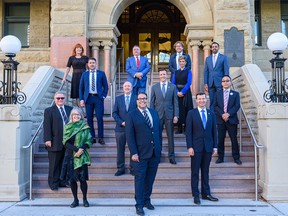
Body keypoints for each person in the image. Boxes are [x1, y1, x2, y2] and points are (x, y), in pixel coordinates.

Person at [126, 92, 162, 216]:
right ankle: (139, 205)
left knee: (150, 179)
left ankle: (147, 200)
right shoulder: (131, 115)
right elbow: (129, 136)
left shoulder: (154, 113)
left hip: (154, 153)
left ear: (147, 100)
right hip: (139, 155)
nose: (142, 100)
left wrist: (159, 149)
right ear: (136, 101)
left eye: (144, 98)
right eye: (140, 99)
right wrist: (134, 152)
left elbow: (158, 132)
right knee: (140, 180)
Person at [185, 92, 218, 205]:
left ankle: (206, 194)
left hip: (208, 147)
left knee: (205, 171)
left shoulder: (211, 113)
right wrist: (189, 146)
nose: (201, 101)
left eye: (203, 99)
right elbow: (188, 132)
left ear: (206, 100)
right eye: (199, 99)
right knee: (195, 172)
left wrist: (215, 146)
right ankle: (196, 195)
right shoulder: (191, 113)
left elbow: (214, 131)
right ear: (196, 101)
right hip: (196, 147)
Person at [62, 107, 92, 208]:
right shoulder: (67, 127)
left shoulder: (85, 127)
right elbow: (65, 142)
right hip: (71, 156)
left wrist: (81, 149)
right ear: (71, 116)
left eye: (78, 114)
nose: (76, 116)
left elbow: (89, 141)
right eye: (74, 114)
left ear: (81, 116)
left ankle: (85, 199)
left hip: (82, 157)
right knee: (72, 180)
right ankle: (75, 200)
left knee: (82, 179)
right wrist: (76, 150)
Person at [43, 92, 73, 191]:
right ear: (54, 99)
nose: (60, 100)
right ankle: (53, 183)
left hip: (68, 141)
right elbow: (47, 126)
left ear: (65, 99)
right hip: (55, 141)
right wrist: (47, 139)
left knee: (65, 163)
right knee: (54, 164)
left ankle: (62, 181)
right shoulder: (49, 111)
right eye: (58, 98)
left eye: (62, 98)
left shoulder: (70, 109)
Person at [150, 68, 179, 165]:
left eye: (164, 74)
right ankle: (157, 156)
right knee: (157, 137)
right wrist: (152, 116)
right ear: (159, 76)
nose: (163, 76)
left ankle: (172, 157)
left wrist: (176, 115)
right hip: (158, 116)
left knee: (170, 137)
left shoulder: (173, 87)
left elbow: (175, 102)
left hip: (169, 115)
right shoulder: (154, 87)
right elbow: (151, 103)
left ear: (167, 75)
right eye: (161, 74)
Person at [79, 57, 108, 145]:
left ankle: (100, 137)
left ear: (96, 64)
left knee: (99, 118)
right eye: (90, 63)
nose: (92, 64)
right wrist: (81, 99)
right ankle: (92, 137)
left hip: (98, 98)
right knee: (89, 119)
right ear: (88, 64)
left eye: (93, 63)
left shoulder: (101, 73)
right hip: (88, 99)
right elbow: (81, 88)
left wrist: (103, 96)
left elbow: (106, 86)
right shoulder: (84, 74)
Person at [214, 75, 242, 165]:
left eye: (227, 81)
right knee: (220, 139)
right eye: (223, 81)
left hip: (232, 120)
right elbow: (215, 106)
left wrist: (228, 114)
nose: (225, 82)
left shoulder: (236, 94)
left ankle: (236, 157)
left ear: (230, 82)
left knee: (234, 139)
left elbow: (237, 106)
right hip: (220, 120)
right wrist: (222, 114)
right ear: (221, 83)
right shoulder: (217, 94)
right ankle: (220, 157)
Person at [112, 81, 137, 176]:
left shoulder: (135, 98)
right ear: (123, 88)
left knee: (133, 149)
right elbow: (114, 113)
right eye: (125, 86)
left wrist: (131, 123)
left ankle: (133, 168)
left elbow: (137, 112)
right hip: (120, 128)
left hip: (133, 128)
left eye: (129, 86)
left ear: (132, 88)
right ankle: (120, 168)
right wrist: (121, 122)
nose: (127, 87)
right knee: (120, 149)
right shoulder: (118, 99)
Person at [204, 41, 229, 111]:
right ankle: (212, 116)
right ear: (211, 48)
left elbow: (226, 71)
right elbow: (206, 71)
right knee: (211, 101)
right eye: (213, 47)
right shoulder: (208, 58)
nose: (214, 48)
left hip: (220, 83)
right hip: (210, 83)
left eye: (216, 46)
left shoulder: (224, 57)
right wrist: (205, 83)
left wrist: (226, 82)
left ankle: (219, 116)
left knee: (220, 100)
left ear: (218, 48)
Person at [171, 55, 193, 134]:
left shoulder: (188, 71)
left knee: (186, 109)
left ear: (185, 63)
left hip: (186, 92)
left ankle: (186, 128)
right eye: (180, 61)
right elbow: (173, 83)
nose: (181, 63)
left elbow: (189, 82)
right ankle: (179, 128)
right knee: (178, 109)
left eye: (183, 61)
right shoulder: (176, 72)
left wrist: (182, 92)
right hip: (177, 92)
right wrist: (177, 92)